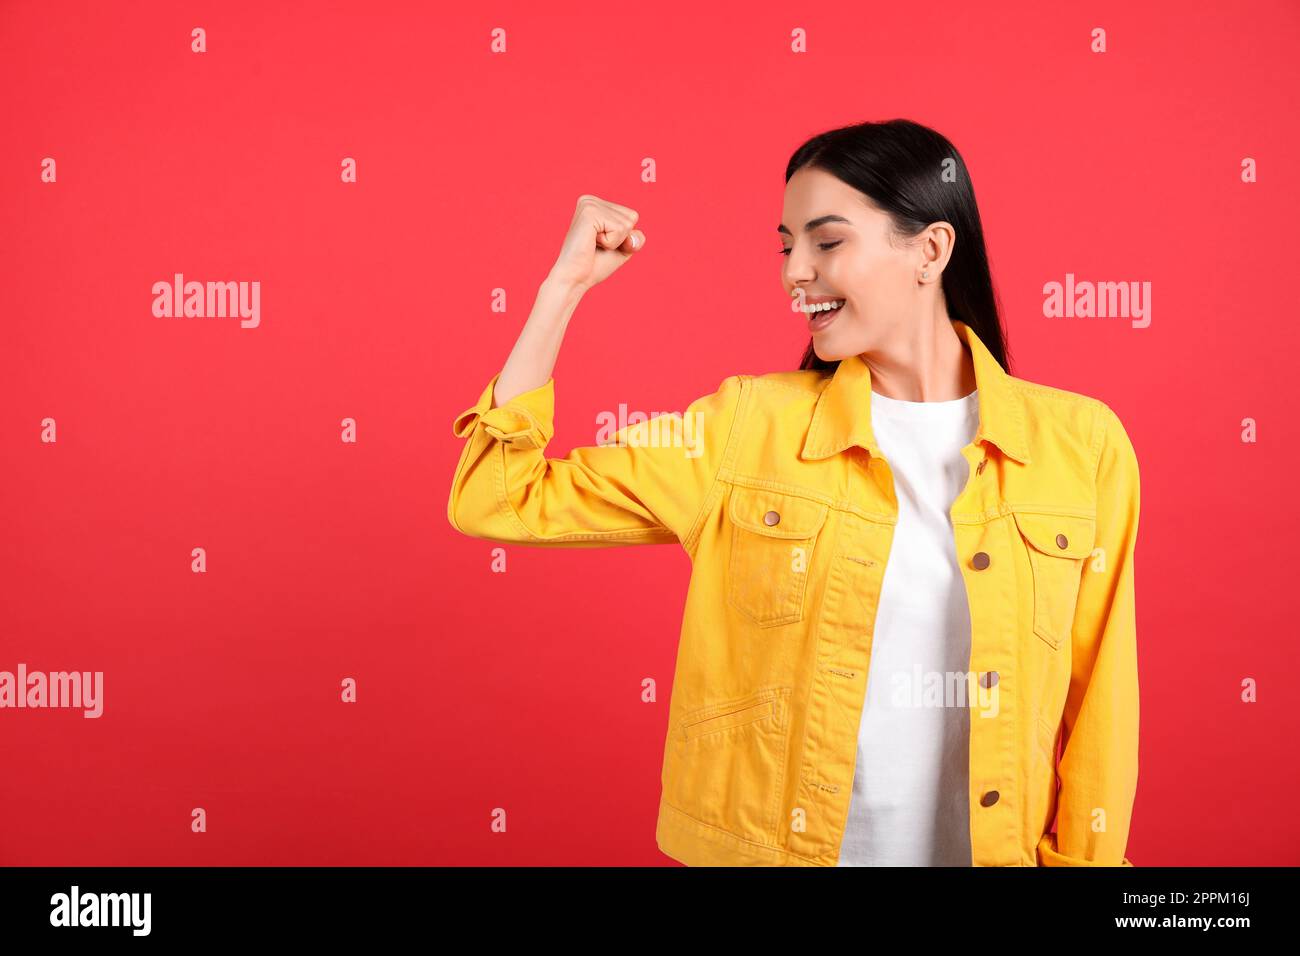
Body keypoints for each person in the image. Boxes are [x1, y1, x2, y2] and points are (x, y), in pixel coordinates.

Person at [448, 118, 1141, 867]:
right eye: (786, 246)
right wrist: (562, 289)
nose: (793, 272)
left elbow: (1101, 703)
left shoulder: (1081, 446)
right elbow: (499, 494)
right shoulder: (749, 427)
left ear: (931, 250)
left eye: (827, 241)